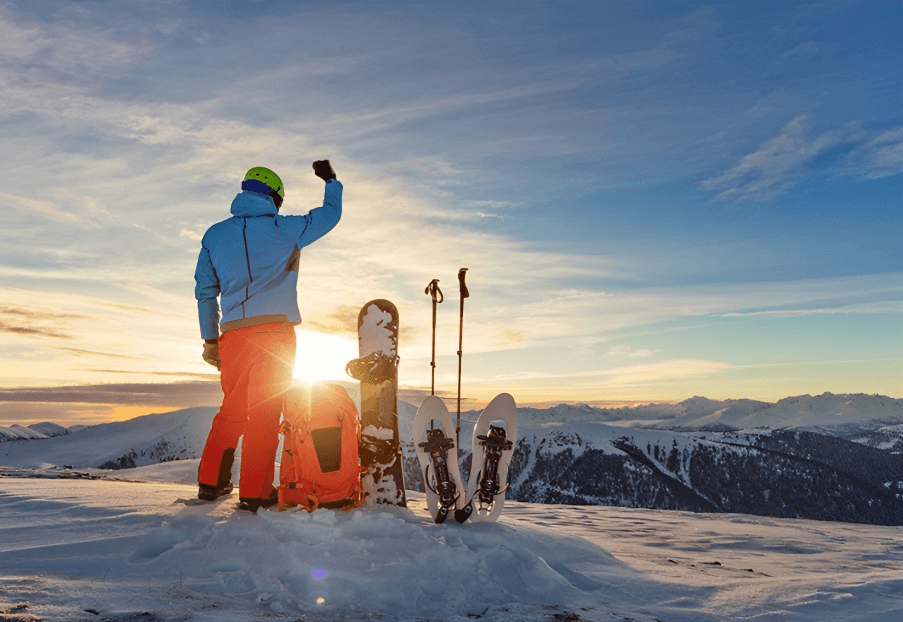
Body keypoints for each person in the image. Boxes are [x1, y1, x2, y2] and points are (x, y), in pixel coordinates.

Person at [194, 161, 342, 511]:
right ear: (274, 197)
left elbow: (205, 292)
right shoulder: (286, 228)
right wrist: (331, 181)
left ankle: (211, 483)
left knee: (231, 409)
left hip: (232, 336)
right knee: (263, 412)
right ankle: (255, 492)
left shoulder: (214, 235)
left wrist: (210, 340)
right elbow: (330, 215)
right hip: (275, 333)